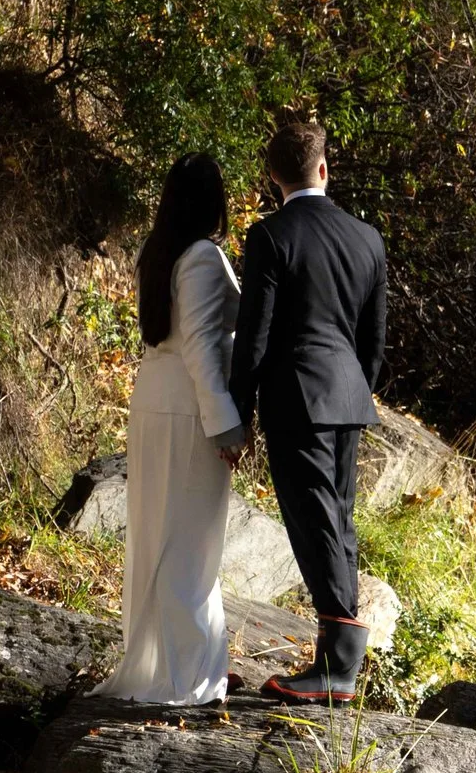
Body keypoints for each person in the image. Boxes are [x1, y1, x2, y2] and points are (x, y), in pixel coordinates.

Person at [227, 108, 387, 705]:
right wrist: (355, 387)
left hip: (297, 395)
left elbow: (255, 335)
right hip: (349, 394)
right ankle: (335, 661)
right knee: (337, 520)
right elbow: (374, 342)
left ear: (275, 179)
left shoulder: (271, 236)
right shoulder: (368, 237)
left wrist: (238, 415)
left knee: (313, 518)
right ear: (325, 168)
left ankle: (339, 665)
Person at [107, 150, 247, 710]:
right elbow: (202, 349)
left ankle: (187, 664)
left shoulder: (157, 252)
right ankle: (187, 676)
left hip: (152, 406)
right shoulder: (203, 258)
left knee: (159, 537)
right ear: (213, 202)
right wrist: (226, 424)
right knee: (191, 544)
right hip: (188, 412)